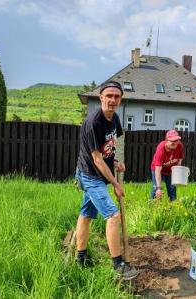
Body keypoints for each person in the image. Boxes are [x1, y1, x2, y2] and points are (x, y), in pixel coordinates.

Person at [75, 80, 139, 280]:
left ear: (121, 99)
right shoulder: (93, 122)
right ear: (101, 97)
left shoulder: (115, 119)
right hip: (90, 175)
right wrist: (115, 183)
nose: (112, 100)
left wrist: (116, 161)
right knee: (113, 215)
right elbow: (97, 159)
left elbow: (109, 146)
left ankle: (81, 258)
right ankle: (118, 264)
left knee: (86, 215)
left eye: (116, 96)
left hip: (98, 173)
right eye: (108, 96)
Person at [150, 130, 185, 201]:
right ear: (167, 140)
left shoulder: (180, 146)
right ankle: (153, 205)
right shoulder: (161, 149)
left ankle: (172, 205)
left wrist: (177, 172)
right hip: (158, 170)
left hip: (171, 171)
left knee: (172, 189)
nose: (175, 142)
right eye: (172, 141)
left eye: (176, 140)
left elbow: (180, 158)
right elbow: (158, 170)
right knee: (156, 189)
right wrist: (159, 188)